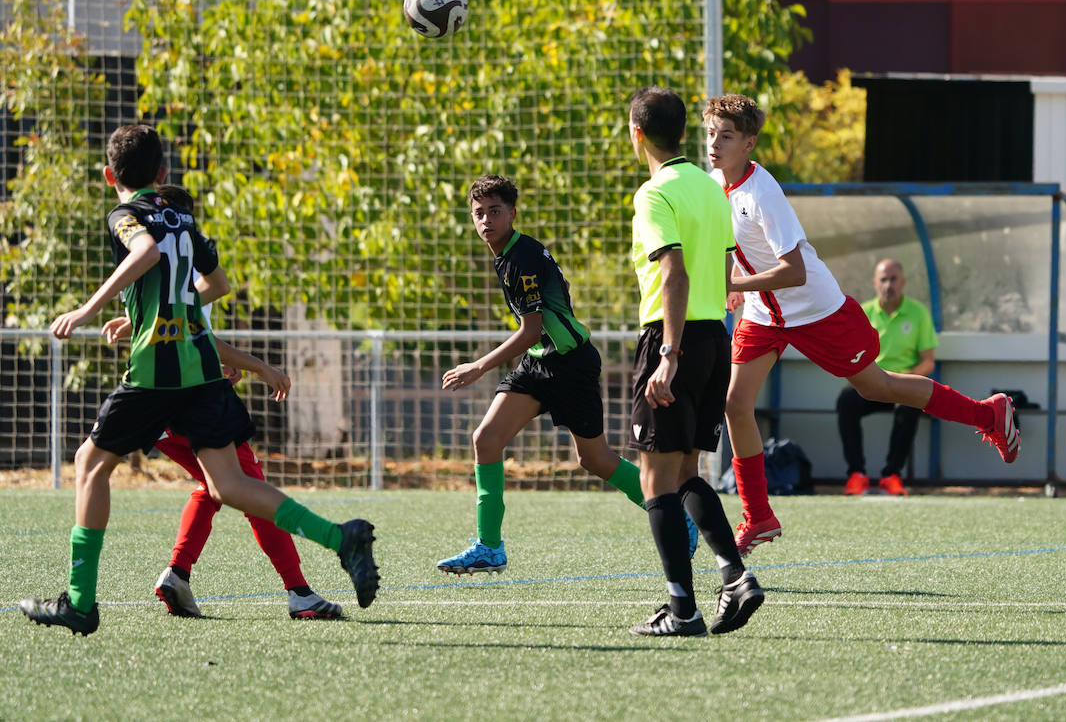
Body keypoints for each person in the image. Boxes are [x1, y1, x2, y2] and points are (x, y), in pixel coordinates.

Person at [20, 124, 378, 635]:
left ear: (108, 176)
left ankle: (80, 601)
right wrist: (159, 311)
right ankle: (340, 537)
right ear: (163, 173)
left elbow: (144, 254)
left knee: (89, 463)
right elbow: (217, 284)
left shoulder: (126, 213)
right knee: (229, 485)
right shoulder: (183, 216)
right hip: (201, 372)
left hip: (155, 374)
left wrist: (87, 308)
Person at [703, 94, 1020, 557]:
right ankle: (759, 515)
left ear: (749, 143)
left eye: (726, 136)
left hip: (815, 309)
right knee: (735, 404)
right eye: (711, 133)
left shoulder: (763, 192)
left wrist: (736, 279)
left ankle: (989, 413)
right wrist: (739, 287)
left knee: (876, 387)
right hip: (762, 314)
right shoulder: (715, 184)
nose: (715, 143)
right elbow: (734, 247)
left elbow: (795, 271)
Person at [98, 184, 343, 620]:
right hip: (186, 403)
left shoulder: (164, 278)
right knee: (249, 490)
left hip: (166, 406)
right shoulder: (178, 268)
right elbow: (205, 340)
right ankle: (301, 592)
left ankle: (177, 574)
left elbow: (193, 338)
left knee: (213, 489)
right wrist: (260, 367)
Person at [436, 175, 694, 575]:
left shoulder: (520, 258)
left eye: (495, 211)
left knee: (595, 459)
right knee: (485, 439)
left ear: (512, 214)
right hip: (541, 362)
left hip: (570, 364)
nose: (486, 220)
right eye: (479, 213)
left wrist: (478, 366)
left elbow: (532, 329)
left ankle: (678, 518)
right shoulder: (511, 253)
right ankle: (489, 547)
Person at [625, 86, 763, 637]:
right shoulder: (710, 188)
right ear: (683, 133)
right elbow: (727, 267)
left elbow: (673, 273)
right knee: (686, 473)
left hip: (673, 338)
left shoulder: (654, 194)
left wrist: (667, 355)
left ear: (637, 135)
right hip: (714, 339)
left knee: (655, 481)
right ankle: (735, 576)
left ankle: (682, 609)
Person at [836, 259, 938, 497]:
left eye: (893, 279)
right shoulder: (863, 312)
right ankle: (856, 475)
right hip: (871, 384)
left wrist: (906, 381)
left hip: (902, 385)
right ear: (875, 283)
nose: (888, 285)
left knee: (911, 405)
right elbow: (850, 355)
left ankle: (891, 476)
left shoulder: (918, 313)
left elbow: (928, 362)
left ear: (903, 282)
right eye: (883, 279)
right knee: (846, 400)